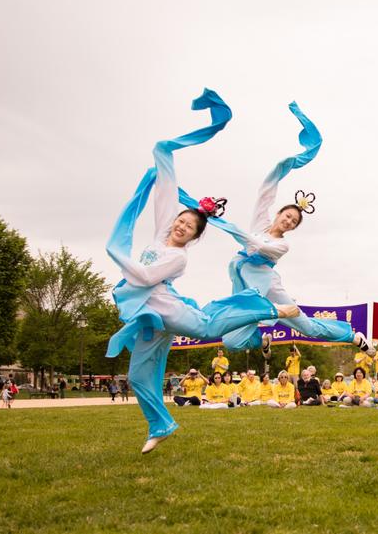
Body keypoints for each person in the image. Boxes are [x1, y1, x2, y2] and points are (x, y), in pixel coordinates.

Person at [103, 91, 299, 453]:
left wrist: (116, 255)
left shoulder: (178, 259)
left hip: (169, 312)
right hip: (150, 317)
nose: (181, 226)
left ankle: (270, 310)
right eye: (181, 220)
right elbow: (166, 195)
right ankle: (161, 424)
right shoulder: (163, 236)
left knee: (208, 327)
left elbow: (145, 278)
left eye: (189, 227)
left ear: (194, 236)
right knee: (136, 376)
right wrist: (163, 157)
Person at [216, 103, 371, 359]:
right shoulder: (259, 224)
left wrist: (228, 227)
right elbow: (265, 193)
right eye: (287, 216)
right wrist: (282, 167)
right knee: (231, 340)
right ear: (279, 214)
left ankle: (352, 336)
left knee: (308, 326)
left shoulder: (281, 245)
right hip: (247, 286)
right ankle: (261, 337)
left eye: (293, 222)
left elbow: (257, 246)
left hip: (270, 290)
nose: (288, 222)